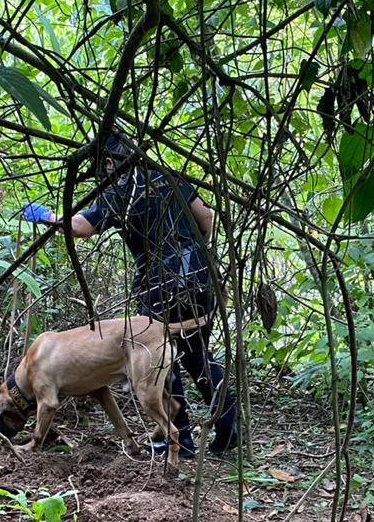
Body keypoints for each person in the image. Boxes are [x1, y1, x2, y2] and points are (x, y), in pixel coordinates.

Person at [22, 135, 238, 458]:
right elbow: (206, 217)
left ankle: (178, 441)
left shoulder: (119, 192)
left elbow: (82, 227)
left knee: (155, 355)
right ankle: (229, 428)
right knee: (196, 355)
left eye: (102, 167)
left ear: (109, 162)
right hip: (200, 277)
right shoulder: (168, 175)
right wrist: (195, 253)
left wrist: (47, 216)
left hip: (158, 285)